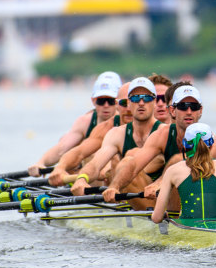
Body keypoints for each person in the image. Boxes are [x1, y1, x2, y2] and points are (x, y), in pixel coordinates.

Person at [102, 82, 216, 211]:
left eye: (193, 107)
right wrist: (114, 187)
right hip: (171, 203)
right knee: (127, 163)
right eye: (183, 106)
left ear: (200, 111)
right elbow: (133, 166)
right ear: (173, 111)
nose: (189, 111)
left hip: (204, 203)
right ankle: (170, 216)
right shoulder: (161, 136)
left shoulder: (209, 138)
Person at [70, 77, 164, 209]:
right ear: (128, 103)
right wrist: (82, 178)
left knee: (130, 158)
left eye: (147, 98)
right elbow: (95, 164)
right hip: (138, 201)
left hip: (165, 200)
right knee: (123, 162)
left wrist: (159, 183)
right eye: (136, 98)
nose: (141, 103)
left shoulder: (165, 132)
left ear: (154, 102)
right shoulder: (116, 134)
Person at [151, 123, 216, 223]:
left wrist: (165, 215)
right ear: (211, 145)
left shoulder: (173, 171)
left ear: (185, 145)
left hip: (187, 231)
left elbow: (156, 218)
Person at [27, 71, 121, 176]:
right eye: (101, 100)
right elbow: (62, 148)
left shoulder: (125, 121)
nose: (106, 105)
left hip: (115, 175)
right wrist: (41, 162)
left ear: (118, 102)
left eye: (111, 100)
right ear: (93, 101)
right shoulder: (85, 122)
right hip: (91, 178)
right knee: (75, 146)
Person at [47, 81, 132, 186]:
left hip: (146, 183)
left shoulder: (156, 128)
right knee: (96, 157)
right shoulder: (107, 127)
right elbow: (79, 152)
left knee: (126, 160)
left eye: (133, 102)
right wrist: (60, 167)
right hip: (118, 186)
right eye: (124, 103)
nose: (129, 108)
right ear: (117, 104)